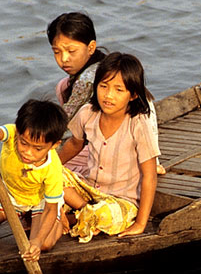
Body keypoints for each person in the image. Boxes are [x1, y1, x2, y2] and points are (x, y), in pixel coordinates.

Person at [46, 11, 164, 176]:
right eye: (57, 52)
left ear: (91, 47)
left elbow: (63, 127)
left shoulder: (88, 80)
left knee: (50, 161)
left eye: (71, 51)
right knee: (63, 86)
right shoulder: (106, 66)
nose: (64, 58)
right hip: (145, 147)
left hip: (128, 152)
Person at [59, 52, 160, 243]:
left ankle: (69, 217)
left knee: (106, 215)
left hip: (120, 200)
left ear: (133, 94)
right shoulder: (88, 113)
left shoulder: (138, 124)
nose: (108, 95)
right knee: (49, 175)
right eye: (103, 86)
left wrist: (140, 223)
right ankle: (81, 211)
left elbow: (150, 175)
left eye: (118, 90)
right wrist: (51, 166)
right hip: (89, 189)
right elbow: (74, 144)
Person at [0, 99, 68, 261]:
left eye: (37, 149)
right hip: (9, 194)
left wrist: (37, 241)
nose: (28, 152)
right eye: (24, 143)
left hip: (40, 201)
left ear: (54, 145)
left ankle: (58, 220)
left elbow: (50, 209)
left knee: (44, 244)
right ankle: (15, 215)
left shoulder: (52, 168)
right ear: (18, 133)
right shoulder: (12, 134)